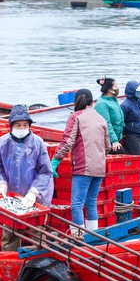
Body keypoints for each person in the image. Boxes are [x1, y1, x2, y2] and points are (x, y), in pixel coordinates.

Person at [0, 105, 54, 251]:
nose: (22, 127)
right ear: (11, 126)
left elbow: (45, 172)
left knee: (38, 234)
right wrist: (1, 182)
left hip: (36, 197)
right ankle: (9, 262)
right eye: (18, 125)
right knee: (10, 233)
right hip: (12, 196)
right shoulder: (1, 143)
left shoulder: (38, 143)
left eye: (25, 125)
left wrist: (34, 191)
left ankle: (39, 263)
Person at [51, 89, 110, 231]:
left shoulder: (75, 117)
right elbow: (107, 146)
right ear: (92, 101)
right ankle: (92, 236)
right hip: (99, 168)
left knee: (77, 204)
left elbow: (67, 142)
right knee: (91, 202)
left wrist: (55, 160)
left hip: (83, 168)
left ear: (76, 101)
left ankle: (79, 239)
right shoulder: (100, 118)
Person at [121, 80, 140, 191]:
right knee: (136, 164)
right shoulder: (125, 105)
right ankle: (135, 188)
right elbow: (121, 121)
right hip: (133, 136)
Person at [94, 77, 124, 154]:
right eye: (116, 86)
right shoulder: (101, 104)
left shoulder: (113, 100)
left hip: (118, 137)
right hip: (108, 141)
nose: (118, 88)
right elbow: (106, 124)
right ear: (110, 90)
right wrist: (114, 140)